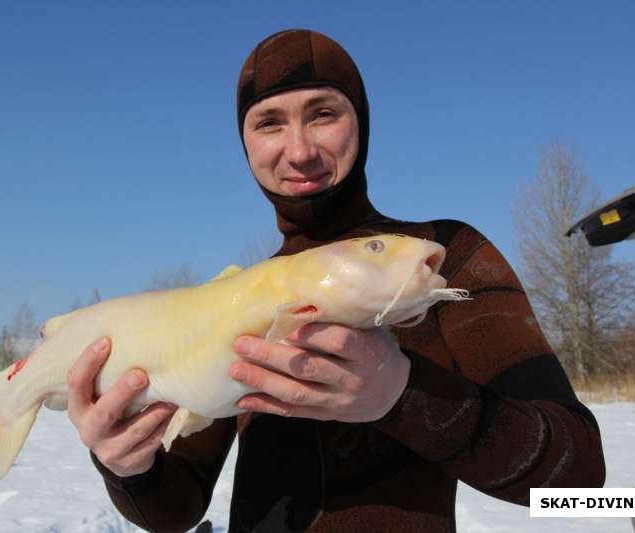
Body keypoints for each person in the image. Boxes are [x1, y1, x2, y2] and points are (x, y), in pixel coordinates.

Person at [67, 29, 606, 532]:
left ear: (361, 122)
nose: (298, 150)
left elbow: (581, 482)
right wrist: (127, 467)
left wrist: (401, 394)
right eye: (269, 123)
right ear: (246, 144)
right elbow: (178, 509)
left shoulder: (438, 257)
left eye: (323, 113)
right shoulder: (236, 296)